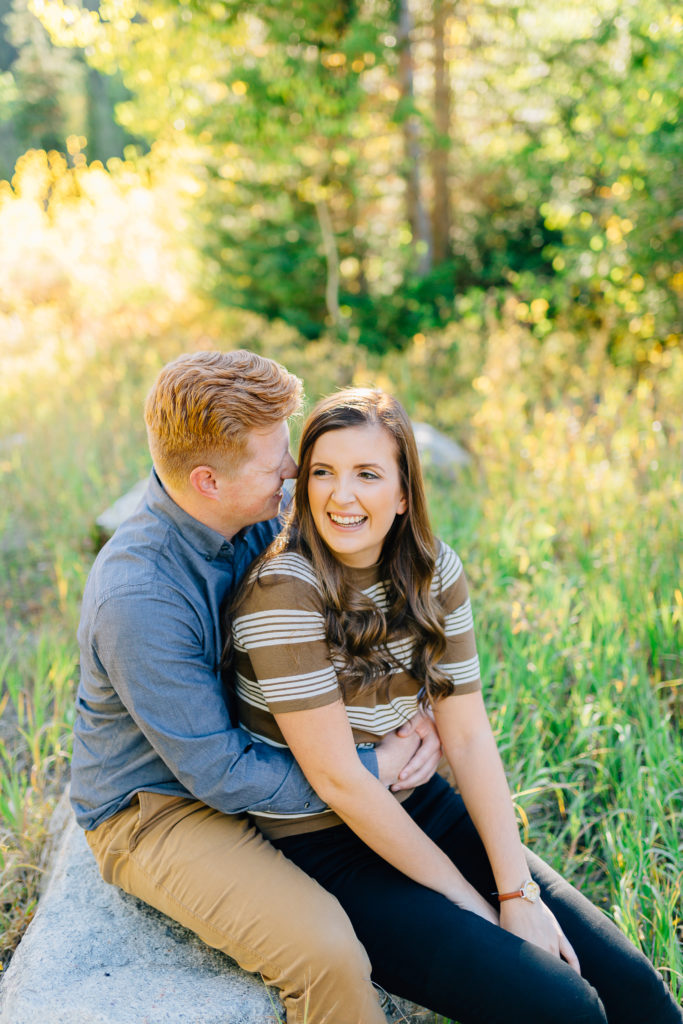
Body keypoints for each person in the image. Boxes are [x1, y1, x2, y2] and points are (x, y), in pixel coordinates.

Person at [227, 387, 683, 1024]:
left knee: (637, 992)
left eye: (367, 474)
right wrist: (477, 908)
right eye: (323, 473)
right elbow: (339, 781)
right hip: (328, 846)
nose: (341, 495)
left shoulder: (434, 571)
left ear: (405, 491)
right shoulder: (281, 595)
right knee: (564, 1008)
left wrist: (516, 892)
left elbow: (467, 737)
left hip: (423, 806)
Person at [71, 350, 445, 1024]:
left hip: (267, 749)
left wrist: (413, 714)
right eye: (278, 464)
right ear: (209, 481)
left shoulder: (254, 520)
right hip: (161, 807)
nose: (295, 473)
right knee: (326, 951)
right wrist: (370, 768)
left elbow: (349, 610)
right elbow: (218, 774)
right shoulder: (139, 596)